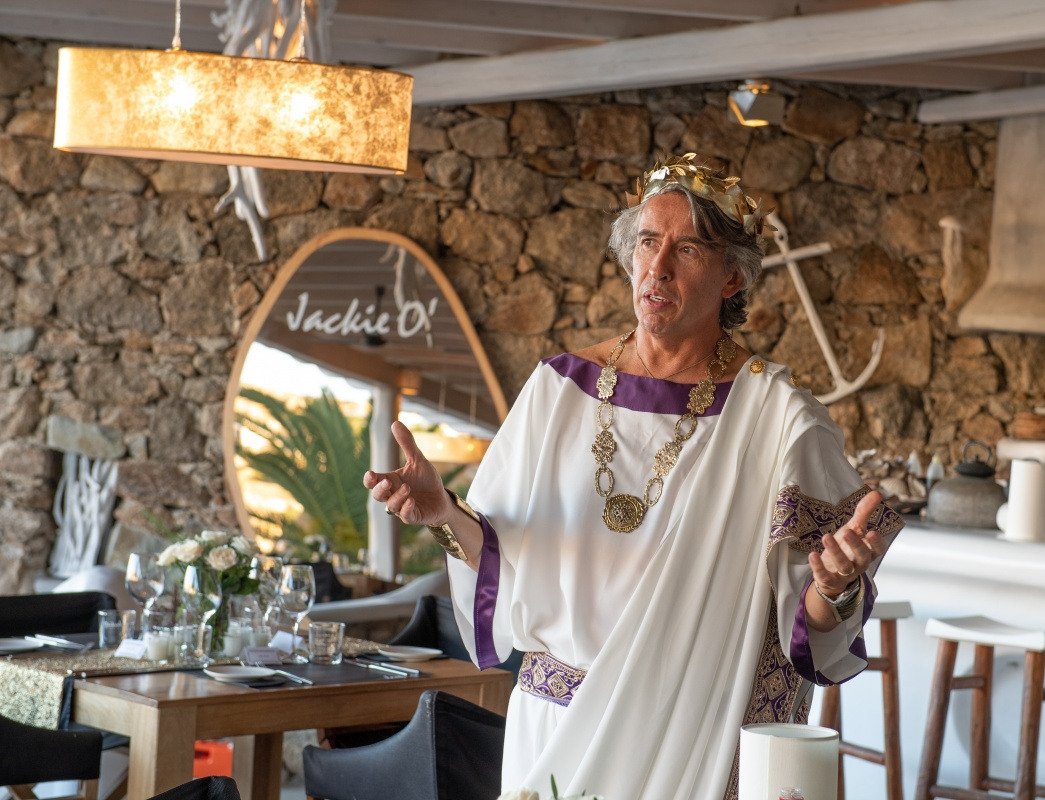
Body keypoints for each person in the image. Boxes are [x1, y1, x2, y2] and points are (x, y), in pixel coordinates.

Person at [364, 153, 903, 800]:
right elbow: (503, 563)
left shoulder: (780, 419)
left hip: (686, 738)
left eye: (688, 249)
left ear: (732, 277)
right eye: (647, 241)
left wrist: (836, 588)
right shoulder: (557, 390)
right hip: (554, 726)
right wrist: (443, 515)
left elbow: (808, 626)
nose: (658, 266)